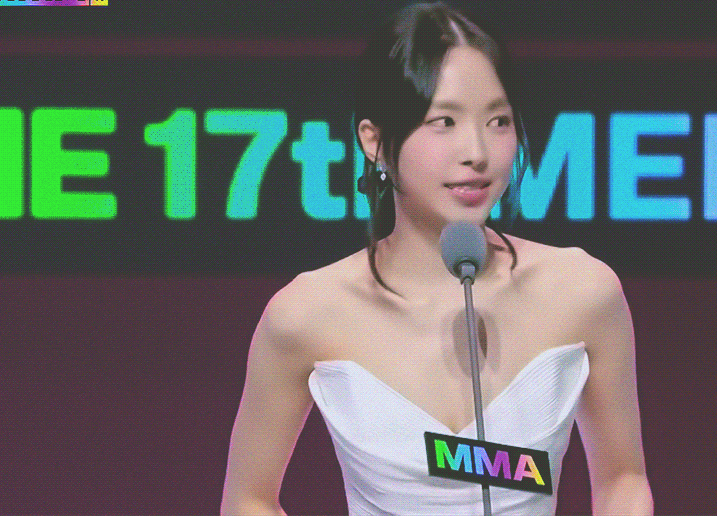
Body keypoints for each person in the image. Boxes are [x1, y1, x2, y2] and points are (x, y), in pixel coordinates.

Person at [221, 2, 652, 515]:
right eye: (443, 121)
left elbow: (624, 480)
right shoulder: (306, 314)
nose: (477, 151)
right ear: (374, 141)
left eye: (498, 121)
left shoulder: (583, 292)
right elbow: (248, 499)